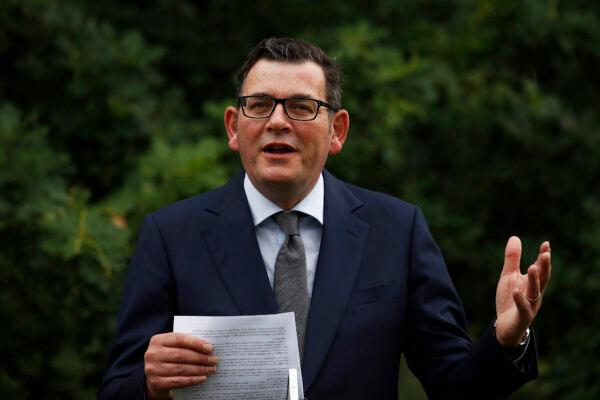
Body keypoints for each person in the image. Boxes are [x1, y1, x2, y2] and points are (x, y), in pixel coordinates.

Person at [99, 38, 551, 400]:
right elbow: (118, 388)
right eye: (259, 105)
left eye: (300, 106)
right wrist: (150, 384)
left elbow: (456, 386)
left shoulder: (397, 231)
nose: (277, 121)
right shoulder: (172, 235)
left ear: (337, 131)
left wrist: (507, 337)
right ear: (234, 128)